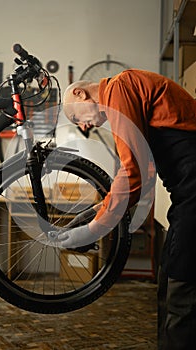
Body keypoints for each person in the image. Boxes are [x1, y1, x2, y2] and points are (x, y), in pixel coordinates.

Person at [59, 68, 196, 350]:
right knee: (169, 277)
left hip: (194, 193)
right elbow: (137, 173)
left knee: (182, 287)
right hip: (187, 196)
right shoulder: (126, 94)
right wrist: (98, 211)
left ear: (80, 93)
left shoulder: (119, 88)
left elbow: (134, 173)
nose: (83, 126)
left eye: (76, 118)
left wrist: (94, 229)